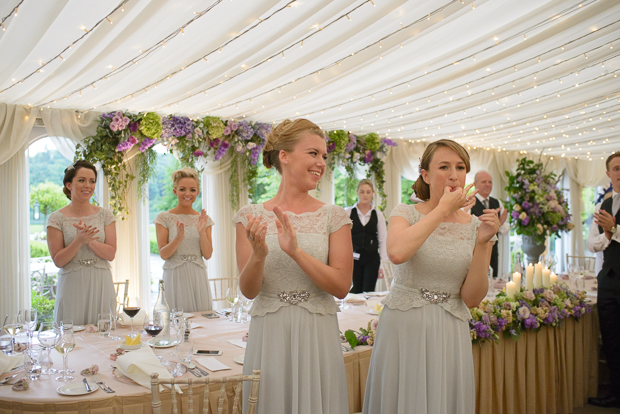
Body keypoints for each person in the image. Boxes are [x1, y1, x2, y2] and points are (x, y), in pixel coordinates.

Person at [362, 139, 499, 414]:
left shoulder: (475, 226)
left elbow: (471, 298)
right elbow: (397, 253)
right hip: (405, 326)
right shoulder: (405, 212)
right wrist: (442, 210)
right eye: (444, 166)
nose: (453, 174)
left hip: (450, 329)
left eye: (460, 167)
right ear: (425, 174)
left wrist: (484, 243)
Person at [234, 118, 353, 414]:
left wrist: (295, 251)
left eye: (324, 156)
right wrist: (259, 254)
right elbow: (249, 291)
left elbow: (341, 286)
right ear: (284, 156)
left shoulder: (334, 216)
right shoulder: (249, 216)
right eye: (313, 153)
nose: (321, 163)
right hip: (270, 331)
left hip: (317, 330)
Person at [47, 160, 117, 326]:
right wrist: (78, 241)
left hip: (101, 282)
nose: (88, 185)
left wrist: (90, 242)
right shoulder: (57, 218)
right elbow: (58, 260)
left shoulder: (105, 215)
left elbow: (111, 254)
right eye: (82, 180)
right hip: (72, 284)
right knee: (72, 338)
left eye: (92, 181)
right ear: (69, 185)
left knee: (103, 335)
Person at [586, 152, 620, 408]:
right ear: (609, 174)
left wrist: (613, 230)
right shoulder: (602, 206)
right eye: (616, 168)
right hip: (608, 281)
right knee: (610, 338)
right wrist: (608, 234)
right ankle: (615, 393)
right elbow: (592, 244)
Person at [155, 167, 214, 312]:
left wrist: (201, 232)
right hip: (175, 276)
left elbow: (207, 254)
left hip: (197, 276)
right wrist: (178, 239)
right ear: (175, 191)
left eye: (192, 190)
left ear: (197, 192)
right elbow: (164, 254)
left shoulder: (204, 220)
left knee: (201, 322)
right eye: (182, 189)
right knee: (175, 323)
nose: (188, 194)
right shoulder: (164, 218)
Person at [346, 179, 388, 293]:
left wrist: (382, 265)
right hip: (353, 260)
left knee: (368, 292)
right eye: (362, 191)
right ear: (357, 192)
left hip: (372, 259)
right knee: (354, 292)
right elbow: (343, 240)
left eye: (368, 192)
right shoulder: (348, 212)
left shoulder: (378, 214)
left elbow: (383, 240)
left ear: (372, 193)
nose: (365, 195)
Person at [470, 170, 509, 278]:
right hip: (474, 252)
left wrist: (499, 224)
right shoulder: (469, 203)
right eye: (484, 182)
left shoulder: (498, 203)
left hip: (493, 252)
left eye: (490, 182)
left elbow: (505, 231)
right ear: (475, 184)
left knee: (492, 281)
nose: (488, 184)